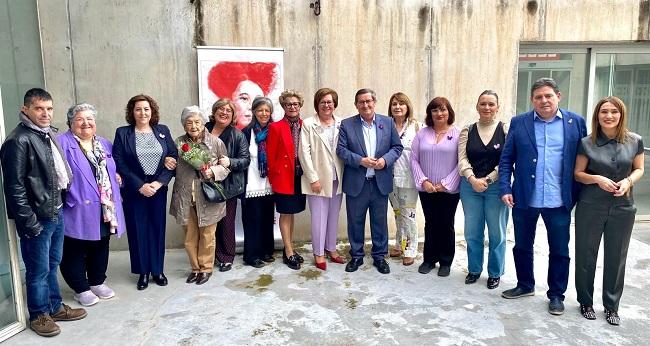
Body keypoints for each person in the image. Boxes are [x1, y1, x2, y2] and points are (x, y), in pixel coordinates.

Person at [0, 88, 86, 337]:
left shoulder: (45, 134)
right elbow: (14, 187)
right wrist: (29, 223)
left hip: (55, 211)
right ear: (25, 109)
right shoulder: (18, 141)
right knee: (37, 271)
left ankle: (54, 307)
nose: (46, 113)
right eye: (39, 108)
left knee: (52, 263)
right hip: (38, 218)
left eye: (49, 108)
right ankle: (38, 315)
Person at [498, 77, 587, 315]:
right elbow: (506, 160)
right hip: (525, 198)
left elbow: (585, 160)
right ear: (532, 100)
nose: (544, 101)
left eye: (548, 95)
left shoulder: (575, 123)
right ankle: (525, 285)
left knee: (559, 250)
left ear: (559, 96)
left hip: (559, 200)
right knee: (522, 246)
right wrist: (505, 188)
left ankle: (556, 295)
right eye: (538, 97)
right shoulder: (519, 123)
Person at [574, 96, 644, 325]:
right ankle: (585, 302)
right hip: (591, 206)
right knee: (586, 255)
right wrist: (596, 179)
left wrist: (628, 182)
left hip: (623, 207)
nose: (609, 116)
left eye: (614, 111)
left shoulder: (635, 141)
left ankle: (611, 307)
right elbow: (578, 174)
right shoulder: (587, 142)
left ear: (621, 114)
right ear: (597, 116)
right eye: (604, 111)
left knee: (617, 257)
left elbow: (639, 169)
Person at [58, 103, 126, 306]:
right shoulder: (62, 143)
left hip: (104, 206)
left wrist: (117, 178)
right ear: (70, 123)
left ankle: (97, 281)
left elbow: (110, 169)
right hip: (77, 205)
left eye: (90, 119)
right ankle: (80, 287)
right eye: (80, 119)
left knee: (100, 243)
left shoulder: (104, 143)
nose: (86, 123)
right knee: (75, 247)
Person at [113, 94, 178, 290]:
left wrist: (159, 183)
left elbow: (173, 157)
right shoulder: (123, 133)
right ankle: (143, 271)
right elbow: (120, 162)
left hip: (158, 188)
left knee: (157, 229)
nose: (143, 112)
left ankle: (157, 270)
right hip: (135, 189)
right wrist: (140, 185)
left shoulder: (162, 131)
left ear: (153, 111)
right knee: (138, 229)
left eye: (147, 109)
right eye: (138, 109)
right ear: (132, 112)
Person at [336, 88, 403, 274]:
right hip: (357, 182)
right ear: (356, 105)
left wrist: (385, 160)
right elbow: (341, 150)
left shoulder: (388, 122)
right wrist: (360, 161)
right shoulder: (347, 124)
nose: (365, 105)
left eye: (368, 101)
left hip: (379, 182)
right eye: (361, 102)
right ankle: (356, 255)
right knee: (355, 221)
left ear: (374, 102)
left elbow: (397, 147)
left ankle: (379, 256)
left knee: (379, 222)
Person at [170, 106, 229, 285]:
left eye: (197, 122)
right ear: (184, 125)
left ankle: (206, 268)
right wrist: (168, 161)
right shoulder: (178, 143)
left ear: (204, 123)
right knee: (190, 236)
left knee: (208, 235)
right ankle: (195, 268)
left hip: (208, 197)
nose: (193, 126)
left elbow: (225, 168)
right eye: (189, 123)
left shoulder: (215, 142)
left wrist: (213, 171)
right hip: (185, 196)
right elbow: (171, 165)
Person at [458, 90, 509, 289]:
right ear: (477, 106)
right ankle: (474, 269)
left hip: (496, 187)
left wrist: (487, 179)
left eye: (491, 104)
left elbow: (506, 160)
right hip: (470, 187)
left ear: (497, 107)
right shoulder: (467, 130)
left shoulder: (505, 130)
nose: (487, 108)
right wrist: (472, 179)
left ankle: (495, 272)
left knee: (497, 232)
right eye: (483, 104)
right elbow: (462, 158)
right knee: (472, 231)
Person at [411, 97, 461, 277]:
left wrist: (445, 184)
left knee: (446, 224)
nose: (439, 114)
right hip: (427, 189)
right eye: (435, 110)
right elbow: (414, 159)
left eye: (443, 110)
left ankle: (446, 261)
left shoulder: (458, 134)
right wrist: (424, 181)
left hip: (449, 190)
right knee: (430, 223)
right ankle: (429, 259)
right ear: (430, 114)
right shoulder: (422, 134)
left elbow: (461, 162)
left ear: (449, 112)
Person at [298, 88, 346, 271]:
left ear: (335, 104)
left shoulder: (342, 123)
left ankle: (331, 249)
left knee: (333, 216)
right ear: (317, 104)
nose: (327, 105)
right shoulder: (309, 124)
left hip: (337, 177)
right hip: (318, 179)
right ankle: (318, 253)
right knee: (319, 217)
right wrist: (312, 178)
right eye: (323, 102)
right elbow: (304, 152)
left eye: (330, 102)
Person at [206, 99, 250, 272]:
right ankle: (210, 255)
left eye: (228, 111)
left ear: (232, 115)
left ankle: (226, 256)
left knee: (226, 222)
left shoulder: (237, 135)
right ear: (214, 111)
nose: (224, 112)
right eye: (221, 109)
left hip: (227, 186)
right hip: (205, 183)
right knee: (208, 223)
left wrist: (230, 161)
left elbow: (245, 160)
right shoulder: (204, 129)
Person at [267, 89, 307, 270]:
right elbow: (271, 155)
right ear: (283, 106)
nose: (292, 107)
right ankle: (289, 251)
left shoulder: (305, 125)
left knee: (292, 213)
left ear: (300, 106)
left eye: (295, 104)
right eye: (289, 104)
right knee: (285, 213)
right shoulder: (275, 127)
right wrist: (274, 177)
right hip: (283, 177)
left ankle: (289, 247)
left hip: (299, 176)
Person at [386, 92, 422, 266]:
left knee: (409, 214)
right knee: (398, 213)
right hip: (389, 177)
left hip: (408, 178)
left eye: (401, 104)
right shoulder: (385, 125)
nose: (398, 107)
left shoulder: (417, 127)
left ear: (408, 107)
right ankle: (400, 244)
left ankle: (411, 249)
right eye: (394, 104)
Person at [241, 97, 277, 267]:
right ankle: (251, 255)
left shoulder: (275, 130)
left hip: (270, 183)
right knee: (252, 219)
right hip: (251, 183)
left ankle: (266, 250)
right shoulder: (246, 132)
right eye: (260, 110)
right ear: (254, 112)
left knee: (267, 218)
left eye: (267, 110)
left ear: (271, 113)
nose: (264, 113)